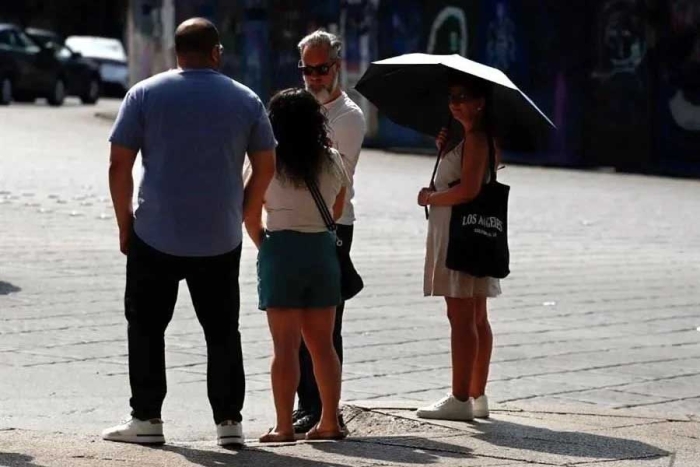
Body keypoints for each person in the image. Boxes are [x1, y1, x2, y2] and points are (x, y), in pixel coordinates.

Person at [103, 18, 276, 446]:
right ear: (216, 51)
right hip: (219, 236)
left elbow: (118, 165)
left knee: (145, 327)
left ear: (174, 52)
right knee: (221, 331)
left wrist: (125, 224)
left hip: (155, 232)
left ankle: (146, 419)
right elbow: (267, 163)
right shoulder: (246, 99)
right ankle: (229, 423)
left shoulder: (144, 93)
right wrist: (244, 209)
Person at [248, 88, 348, 442]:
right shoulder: (333, 158)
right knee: (323, 345)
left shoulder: (266, 160)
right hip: (322, 250)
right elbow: (337, 210)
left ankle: (284, 426)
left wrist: (267, 245)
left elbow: (249, 212)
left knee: (285, 348)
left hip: (281, 250)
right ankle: (329, 422)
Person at [415, 72, 500, 421]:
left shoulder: (478, 138)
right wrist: (447, 150)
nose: (456, 103)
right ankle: (476, 394)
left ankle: (460, 397)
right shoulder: (472, 138)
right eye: (452, 97)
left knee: (461, 316)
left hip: (459, 234)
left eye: (463, 96)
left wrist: (430, 197)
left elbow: (467, 190)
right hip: (471, 234)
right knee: (476, 315)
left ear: (481, 102)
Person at [293, 29, 366, 434]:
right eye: (307, 69)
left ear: (336, 68)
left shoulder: (348, 117)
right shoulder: (298, 106)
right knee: (297, 320)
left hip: (334, 224)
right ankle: (308, 403)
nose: (314, 78)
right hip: (297, 223)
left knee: (325, 323)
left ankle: (326, 409)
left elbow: (338, 178)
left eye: (321, 69)